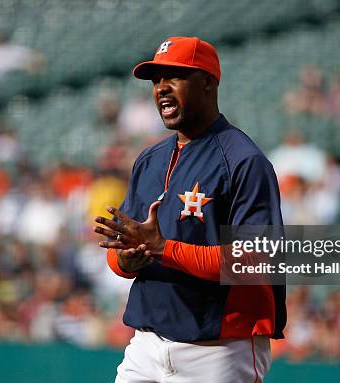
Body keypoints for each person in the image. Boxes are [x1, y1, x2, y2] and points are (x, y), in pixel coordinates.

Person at [94, 36, 286, 382]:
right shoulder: (149, 160)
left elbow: (254, 261)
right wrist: (126, 260)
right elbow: (121, 252)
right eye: (156, 80)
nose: (161, 89)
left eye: (174, 77)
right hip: (146, 344)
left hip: (217, 350)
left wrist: (164, 249)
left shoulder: (244, 161)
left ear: (209, 83)